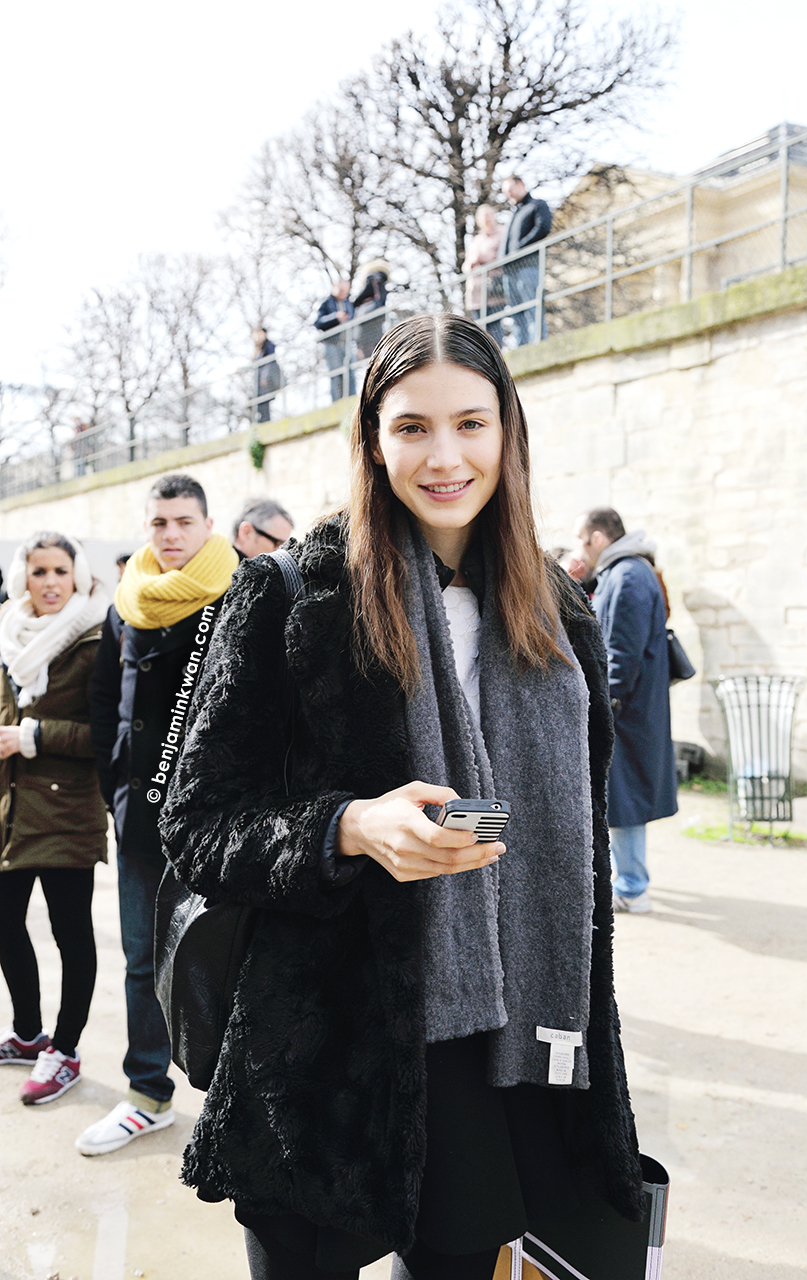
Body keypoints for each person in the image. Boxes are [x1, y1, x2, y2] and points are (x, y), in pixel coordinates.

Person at [159, 315, 645, 1280]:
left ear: (507, 430)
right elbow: (195, 821)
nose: (445, 456)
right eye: (411, 428)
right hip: (330, 1051)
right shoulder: (292, 595)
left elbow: (578, 856)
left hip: (506, 1042)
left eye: (470, 423)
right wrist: (345, 826)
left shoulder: (560, 611)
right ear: (373, 443)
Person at [76, 474, 238, 1156]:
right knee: (142, 961)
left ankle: (236, 1100)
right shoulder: (125, 603)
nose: (170, 535)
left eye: (182, 522)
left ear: (206, 525)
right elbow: (108, 701)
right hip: (140, 815)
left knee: (230, 955)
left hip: (218, 817)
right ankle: (147, 1092)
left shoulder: (239, 592)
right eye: (158, 524)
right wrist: (116, 782)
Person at [0, 533, 109, 1104]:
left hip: (67, 809)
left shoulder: (94, 640)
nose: (48, 582)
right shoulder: (6, 632)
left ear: (77, 577)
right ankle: (26, 1033)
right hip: (11, 812)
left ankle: (64, 1048)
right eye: (38, 571)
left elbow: (105, 736)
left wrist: (32, 737)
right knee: (5, 923)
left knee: (71, 934)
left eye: (59, 571)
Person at [573, 508, 678, 913]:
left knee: (625, 799)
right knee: (623, 797)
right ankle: (630, 881)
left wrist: (605, 705)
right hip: (633, 708)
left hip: (627, 711)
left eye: (584, 541)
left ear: (598, 537)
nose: (584, 551)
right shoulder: (628, 572)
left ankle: (633, 888)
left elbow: (621, 653)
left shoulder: (628, 575)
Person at [500, 176, 552, 347]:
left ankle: (538, 344)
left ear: (521, 185)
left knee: (532, 307)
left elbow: (543, 228)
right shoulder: (515, 213)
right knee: (516, 312)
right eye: (506, 193)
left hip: (528, 266)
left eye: (510, 190)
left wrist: (520, 249)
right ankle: (520, 347)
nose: (509, 195)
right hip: (510, 271)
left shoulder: (537, 205)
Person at [462, 204, 504, 348]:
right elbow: (466, 265)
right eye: (484, 217)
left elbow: (499, 257)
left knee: (495, 325)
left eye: (489, 215)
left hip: (493, 289)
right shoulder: (476, 240)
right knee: (480, 329)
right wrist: (474, 262)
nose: (487, 219)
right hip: (476, 292)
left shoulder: (502, 233)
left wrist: (482, 258)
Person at [314, 280, 356, 401]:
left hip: (346, 343)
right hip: (331, 344)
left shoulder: (349, 303)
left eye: (346, 291)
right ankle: (336, 401)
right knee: (336, 374)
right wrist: (335, 317)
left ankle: (353, 401)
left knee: (351, 373)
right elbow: (318, 322)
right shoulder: (325, 303)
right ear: (334, 287)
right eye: (341, 290)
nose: (344, 294)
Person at [352, 259, 390, 359]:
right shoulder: (381, 284)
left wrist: (356, 302)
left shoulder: (372, 279)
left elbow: (363, 295)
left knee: (369, 351)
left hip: (368, 320)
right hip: (375, 322)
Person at [252, 327, 281, 423]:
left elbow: (270, 362)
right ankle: (262, 420)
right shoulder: (258, 348)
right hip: (260, 379)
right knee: (259, 401)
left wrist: (265, 377)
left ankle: (265, 420)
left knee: (264, 400)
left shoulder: (268, 346)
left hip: (267, 379)